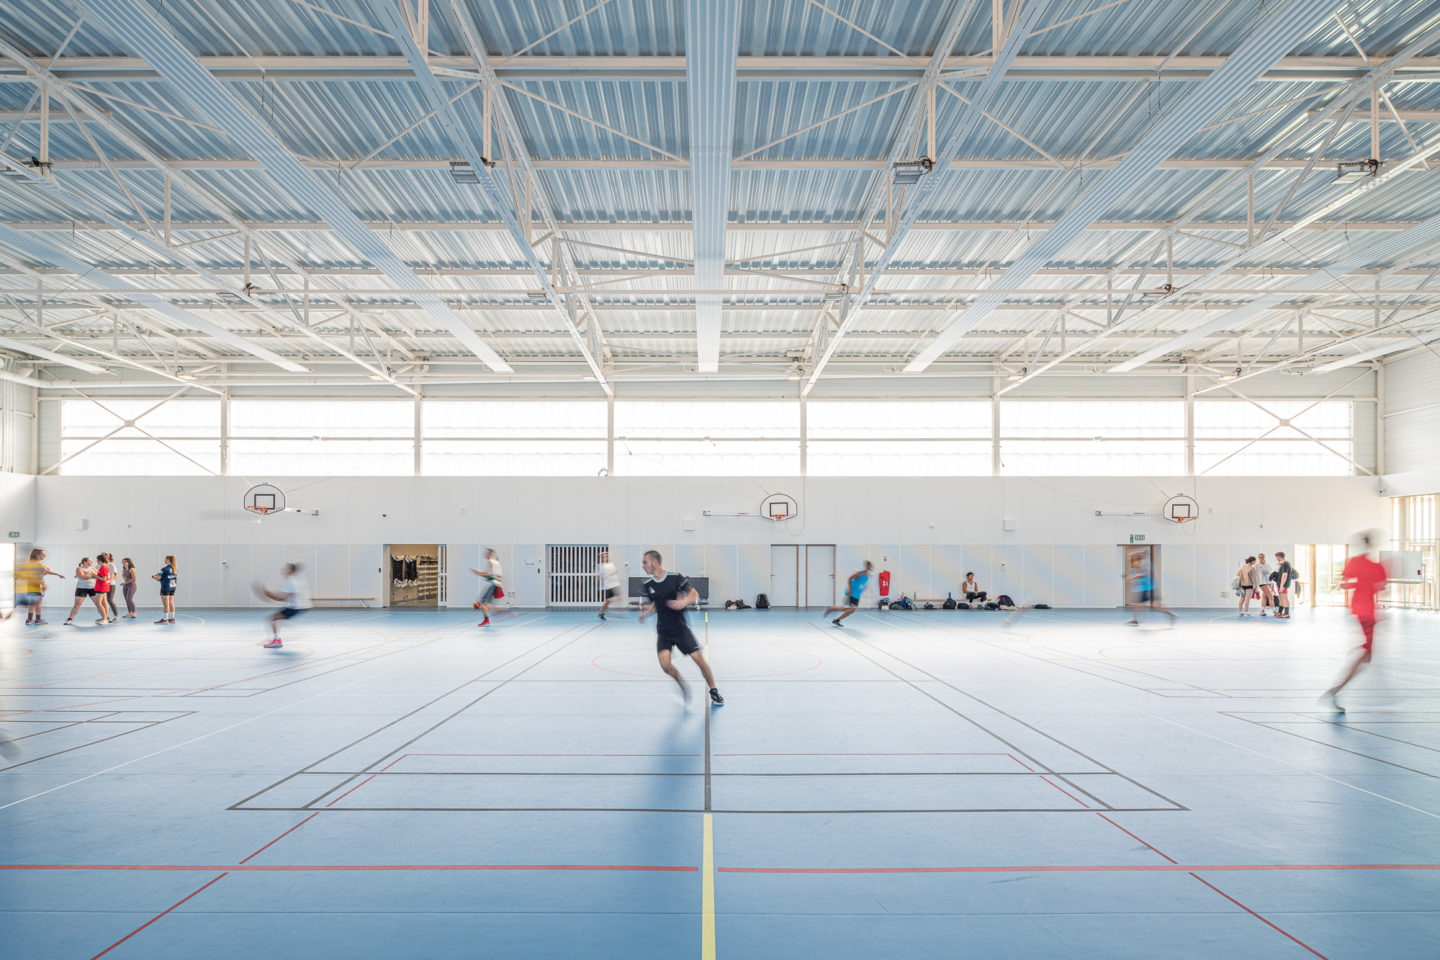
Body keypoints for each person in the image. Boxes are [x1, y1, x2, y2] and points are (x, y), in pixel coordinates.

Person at [638, 549, 723, 706]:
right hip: (663, 631)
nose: (643, 565)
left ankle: (713, 690)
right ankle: (682, 684)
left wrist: (683, 602)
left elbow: (694, 593)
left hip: (680, 628)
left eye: (645, 562)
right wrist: (647, 614)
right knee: (665, 665)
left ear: (654, 562)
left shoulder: (675, 578)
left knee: (698, 659)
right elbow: (656, 605)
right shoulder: (648, 585)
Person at [1324, 533, 1388, 712]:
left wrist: (1359, 585)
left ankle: (1338, 687)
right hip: (1368, 611)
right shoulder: (1376, 566)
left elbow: (1344, 584)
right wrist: (1369, 585)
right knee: (1366, 655)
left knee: (1367, 655)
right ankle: (1336, 690)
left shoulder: (1354, 562)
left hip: (1358, 609)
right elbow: (1382, 587)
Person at [257, 562, 311, 649]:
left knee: (273, 618)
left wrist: (267, 594)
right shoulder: (298, 579)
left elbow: (283, 598)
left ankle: (276, 641)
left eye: (286, 570)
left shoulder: (290, 580)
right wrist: (270, 594)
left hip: (295, 607)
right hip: (301, 606)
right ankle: (277, 637)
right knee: (278, 619)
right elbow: (285, 595)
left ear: (291, 570)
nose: (284, 571)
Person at [11, 548, 62, 626]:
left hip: (35, 585)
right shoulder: (37, 564)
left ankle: (36, 619)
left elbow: (45, 572)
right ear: (37, 555)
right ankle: (31, 619)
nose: (44, 556)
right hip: (37, 586)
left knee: (37, 603)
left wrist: (57, 574)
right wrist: (44, 582)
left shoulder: (35, 564)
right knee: (35, 603)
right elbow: (37, 574)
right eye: (43, 554)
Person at [1126, 550, 1175, 626]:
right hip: (1144, 589)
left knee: (1156, 606)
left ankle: (1170, 614)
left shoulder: (1146, 563)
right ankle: (1134, 620)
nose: (1134, 557)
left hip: (1149, 588)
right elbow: (1131, 556)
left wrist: (1133, 577)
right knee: (1137, 604)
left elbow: (1145, 573)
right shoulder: (1139, 564)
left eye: (1137, 555)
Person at [822, 560, 873, 627]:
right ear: (867, 566)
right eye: (870, 566)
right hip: (851, 593)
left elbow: (862, 585)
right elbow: (849, 579)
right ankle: (834, 613)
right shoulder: (859, 573)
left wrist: (862, 592)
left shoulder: (868, 576)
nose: (871, 567)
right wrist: (849, 589)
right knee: (851, 609)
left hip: (857, 595)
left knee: (849, 610)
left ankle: (834, 614)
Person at [64, 557, 105, 626]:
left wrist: (89, 574)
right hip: (81, 588)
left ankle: (105, 618)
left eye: (91, 561)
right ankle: (69, 619)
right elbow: (82, 576)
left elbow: (99, 577)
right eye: (90, 561)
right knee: (77, 604)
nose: (91, 562)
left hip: (93, 588)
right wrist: (91, 575)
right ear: (85, 562)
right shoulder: (79, 568)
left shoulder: (94, 569)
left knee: (98, 604)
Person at [469, 548, 503, 627]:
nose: (485, 554)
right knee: (487, 603)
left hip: (492, 583)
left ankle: (489, 618)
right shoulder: (496, 562)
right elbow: (498, 576)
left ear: (490, 554)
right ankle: (500, 612)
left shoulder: (490, 562)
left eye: (487, 553)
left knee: (483, 602)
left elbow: (486, 574)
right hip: (496, 584)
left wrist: (476, 571)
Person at [596, 550, 621, 621]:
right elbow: (600, 576)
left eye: (606, 556)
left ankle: (602, 611)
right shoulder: (601, 566)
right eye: (604, 556)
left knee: (617, 598)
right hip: (608, 585)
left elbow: (615, 571)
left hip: (614, 584)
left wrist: (613, 573)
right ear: (601, 558)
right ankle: (601, 613)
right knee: (607, 601)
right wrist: (600, 584)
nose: (605, 557)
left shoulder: (611, 564)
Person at [152, 555, 178, 624]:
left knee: (166, 604)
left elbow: (159, 578)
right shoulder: (175, 569)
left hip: (165, 588)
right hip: (172, 588)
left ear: (169, 560)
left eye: (166, 559)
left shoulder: (164, 569)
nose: (165, 560)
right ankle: (172, 618)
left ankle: (165, 619)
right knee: (171, 603)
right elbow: (167, 577)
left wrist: (154, 576)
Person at [94, 553, 116, 624]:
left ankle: (104, 619)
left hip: (101, 587)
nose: (97, 561)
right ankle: (105, 617)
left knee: (98, 603)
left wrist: (95, 576)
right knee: (104, 602)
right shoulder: (105, 567)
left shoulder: (103, 567)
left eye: (97, 560)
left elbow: (103, 579)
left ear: (99, 560)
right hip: (104, 587)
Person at [1273, 551, 1294, 620]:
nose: (1276, 558)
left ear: (1279, 556)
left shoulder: (1286, 564)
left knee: (1284, 598)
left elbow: (1284, 575)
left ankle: (1287, 613)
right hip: (1280, 584)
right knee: (1281, 598)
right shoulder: (1284, 564)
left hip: (1283, 585)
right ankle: (1280, 612)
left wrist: (1282, 586)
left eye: (1276, 557)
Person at [1255, 552, 1275, 617]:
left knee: (1264, 596)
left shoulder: (1267, 564)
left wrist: (1272, 583)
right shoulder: (1257, 565)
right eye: (1260, 557)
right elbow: (1255, 575)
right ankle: (1274, 611)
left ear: (1264, 557)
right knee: (1270, 596)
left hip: (1268, 582)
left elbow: (1271, 573)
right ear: (1258, 558)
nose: (1261, 558)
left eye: (1262, 557)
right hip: (1262, 582)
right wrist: (1255, 585)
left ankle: (1262, 611)